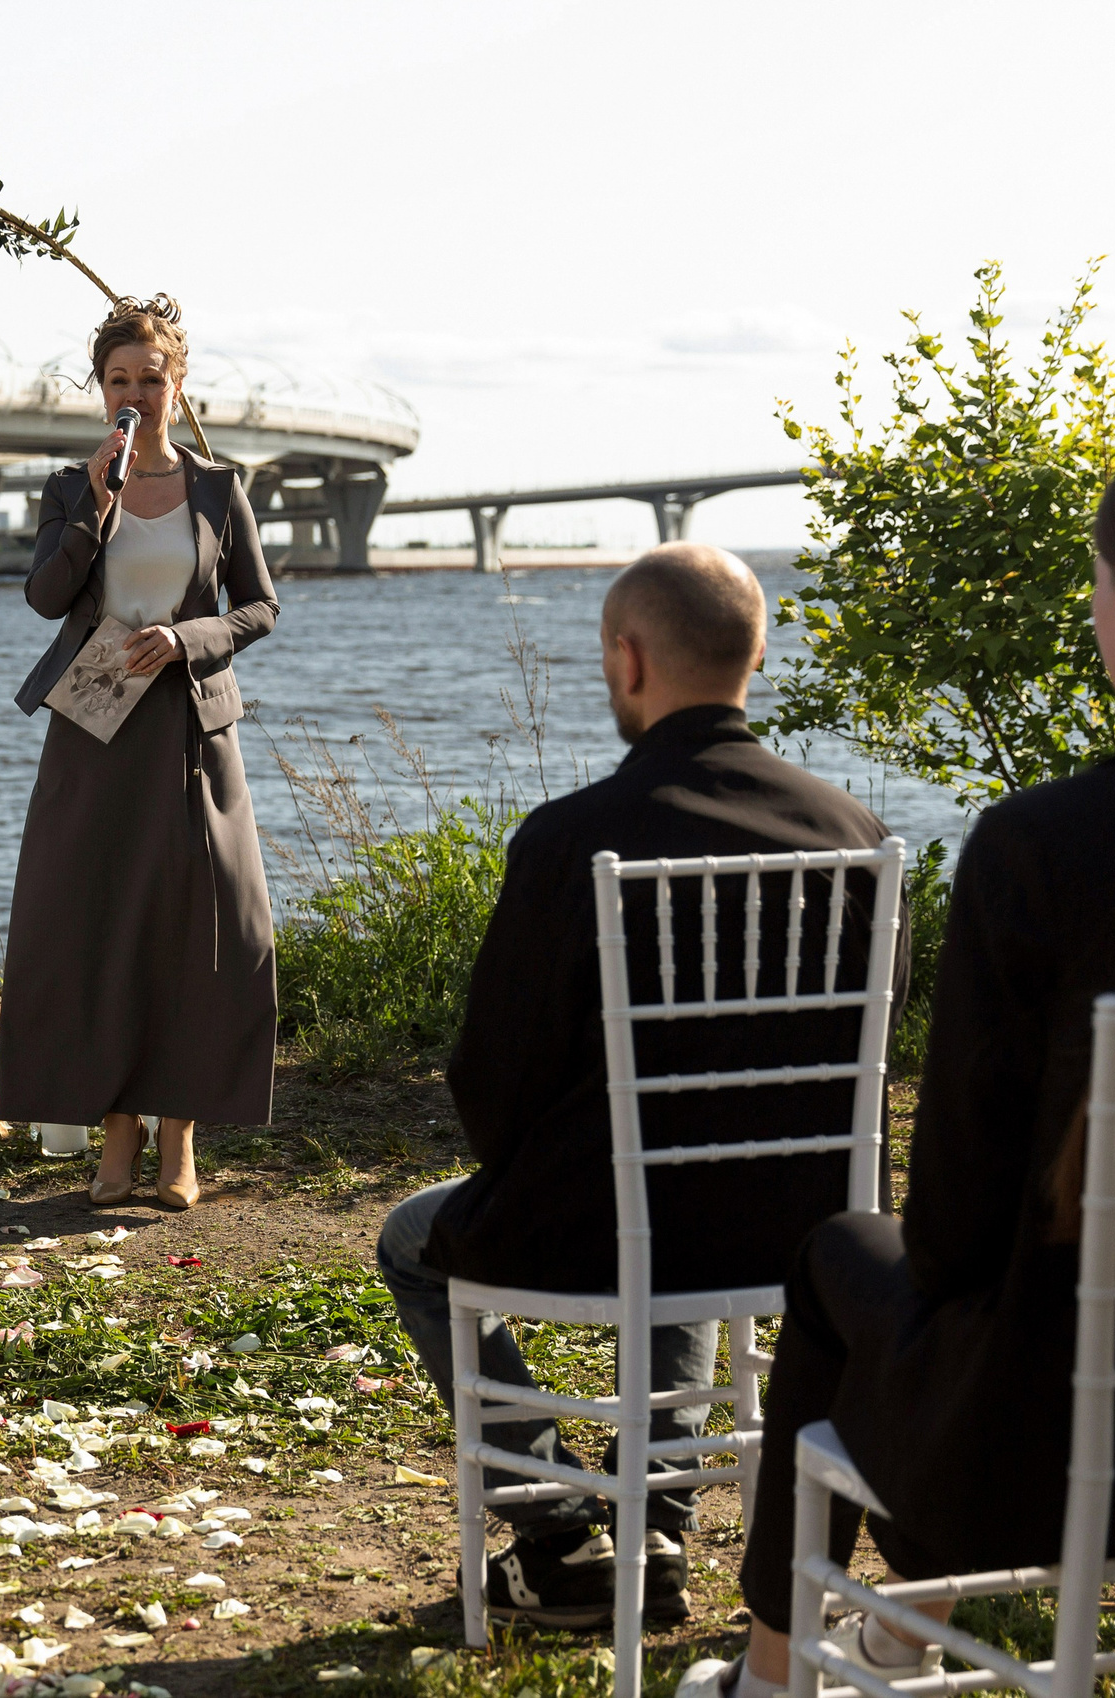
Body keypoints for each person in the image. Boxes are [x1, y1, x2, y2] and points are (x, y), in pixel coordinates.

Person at [691, 434, 1115, 1698]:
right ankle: (850, 1638)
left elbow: (952, 1234)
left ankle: (776, 1675)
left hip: (1050, 1458)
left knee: (841, 1247)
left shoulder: (1042, 847)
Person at [376, 543, 903, 1630]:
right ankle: (656, 1522)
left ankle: (560, 1525)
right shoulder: (851, 834)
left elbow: (494, 1081)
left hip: (607, 1218)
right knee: (688, 1212)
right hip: (804, 1230)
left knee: (411, 1241)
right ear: (756, 652)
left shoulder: (574, 838)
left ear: (626, 657)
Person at [1, 296, 278, 1211]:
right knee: (97, 927)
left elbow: (260, 607)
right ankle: (112, 1137)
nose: (136, 393)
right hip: (92, 731)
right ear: (102, 390)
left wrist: (190, 638)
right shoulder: (72, 487)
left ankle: (179, 1143)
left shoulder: (219, 488)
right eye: (118, 380)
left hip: (191, 732)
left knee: (195, 928)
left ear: (176, 383)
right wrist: (96, 504)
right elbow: (45, 599)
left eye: (150, 378)